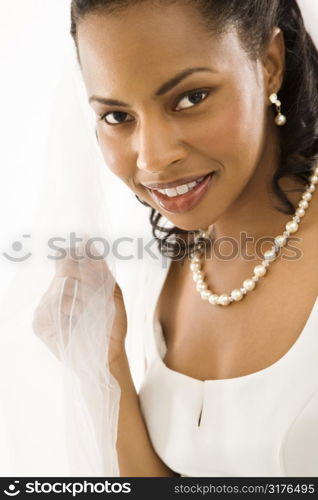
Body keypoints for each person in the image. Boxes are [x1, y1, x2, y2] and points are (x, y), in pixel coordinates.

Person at [34, 0, 318, 477]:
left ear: (269, 65)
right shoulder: (169, 262)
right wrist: (104, 367)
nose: (153, 158)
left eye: (191, 98)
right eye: (117, 117)